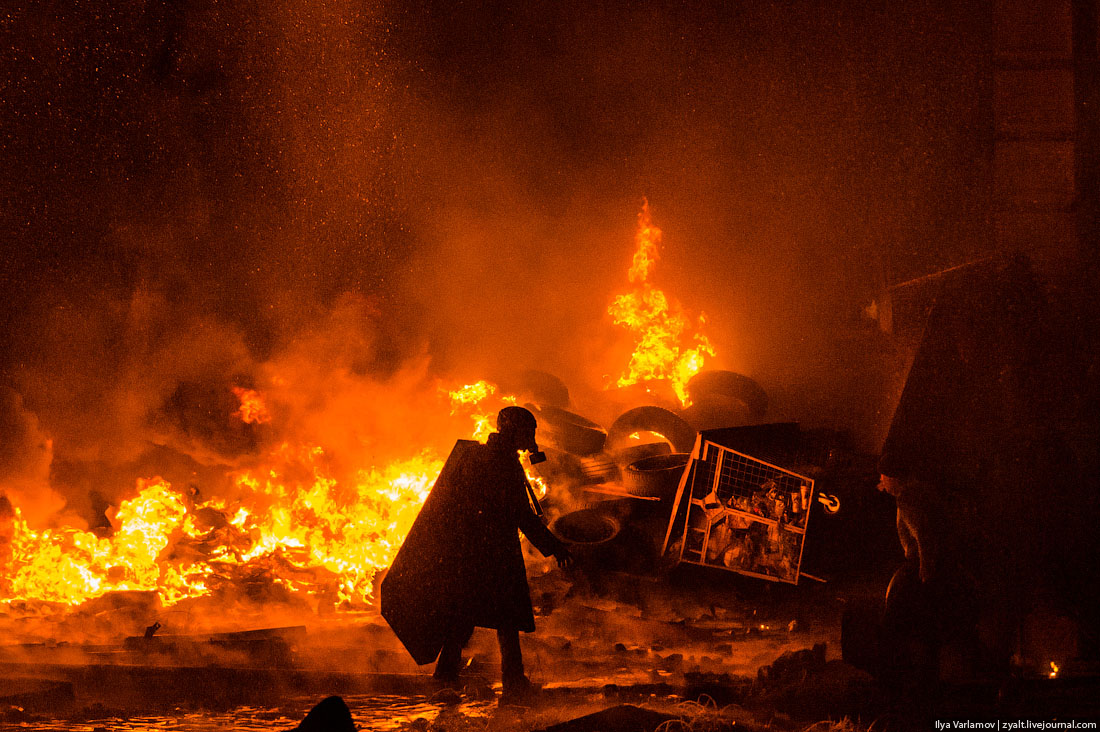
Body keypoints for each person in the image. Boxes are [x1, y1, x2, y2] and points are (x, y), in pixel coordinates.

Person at [381, 406, 573, 702]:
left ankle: (446, 674)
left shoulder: (477, 456)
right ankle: (513, 682)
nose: (530, 437)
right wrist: (555, 547)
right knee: (506, 619)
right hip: (494, 553)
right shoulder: (502, 465)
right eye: (527, 431)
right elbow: (522, 515)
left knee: (465, 614)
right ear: (513, 431)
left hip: (469, 552)